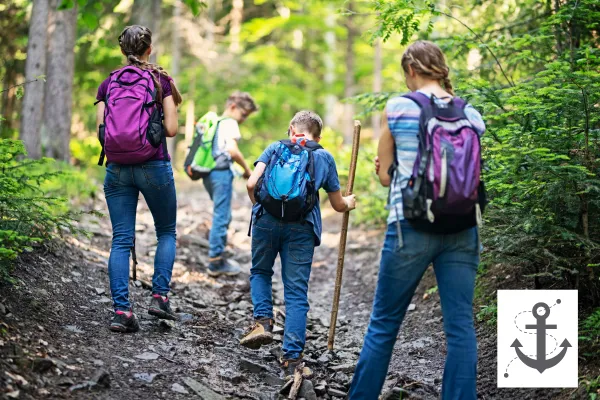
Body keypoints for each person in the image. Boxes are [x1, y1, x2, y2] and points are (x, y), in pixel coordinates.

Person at [348, 41, 486, 399]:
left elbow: (384, 176)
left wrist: (387, 164)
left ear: (411, 70)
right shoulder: (470, 114)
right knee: (460, 328)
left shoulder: (398, 107)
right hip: (462, 226)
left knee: (383, 325)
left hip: (410, 226)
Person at [241, 111, 357, 378]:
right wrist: (350, 202)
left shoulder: (275, 148)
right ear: (319, 135)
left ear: (291, 129)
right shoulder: (324, 157)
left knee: (260, 272)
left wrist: (262, 209)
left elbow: (251, 182)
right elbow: (338, 204)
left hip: (265, 221)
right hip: (302, 228)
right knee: (295, 291)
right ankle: (292, 358)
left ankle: (263, 322)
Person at [95, 25, 183, 333]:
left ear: (123, 50)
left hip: (116, 168)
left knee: (121, 240)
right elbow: (171, 130)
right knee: (167, 232)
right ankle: (159, 297)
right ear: (150, 49)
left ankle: (122, 311)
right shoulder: (161, 80)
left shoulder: (109, 83)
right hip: (154, 165)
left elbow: (102, 131)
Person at [204, 92, 258, 277]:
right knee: (222, 215)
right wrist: (247, 169)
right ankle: (215, 261)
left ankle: (218, 252)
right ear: (233, 107)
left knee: (221, 214)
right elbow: (232, 150)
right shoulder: (229, 123)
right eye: (243, 115)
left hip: (210, 173)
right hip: (221, 174)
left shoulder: (217, 122)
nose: (243, 119)